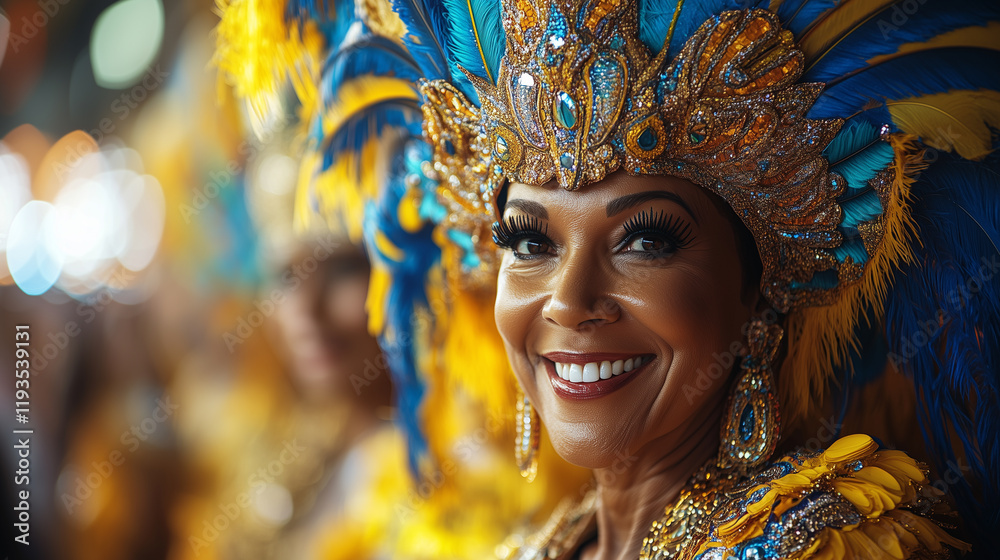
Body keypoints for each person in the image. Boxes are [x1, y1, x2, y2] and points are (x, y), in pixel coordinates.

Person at [370, 0, 999, 558]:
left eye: (644, 242)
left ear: (755, 291)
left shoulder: (831, 544)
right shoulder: (528, 548)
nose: (567, 302)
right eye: (530, 242)